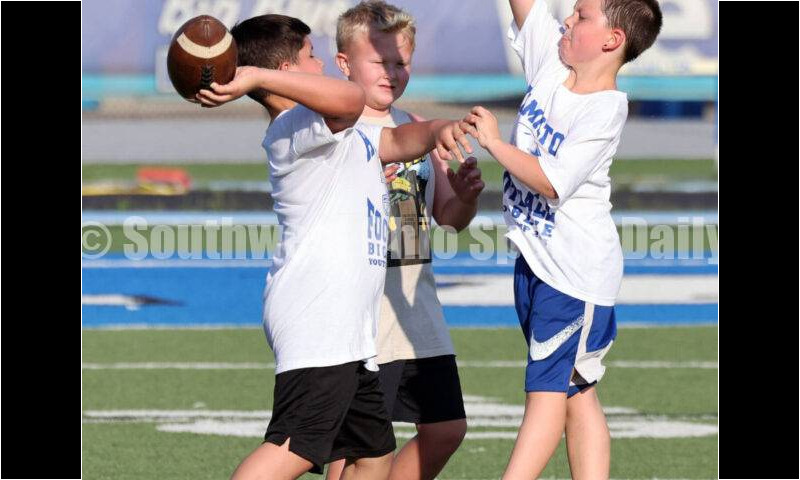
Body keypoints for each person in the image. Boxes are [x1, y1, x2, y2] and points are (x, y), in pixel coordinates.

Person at [196, 13, 473, 480]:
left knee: (373, 455)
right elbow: (351, 98)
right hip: (318, 319)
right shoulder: (295, 125)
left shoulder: (340, 130)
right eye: (311, 56)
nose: (321, 63)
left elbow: (397, 139)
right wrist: (255, 77)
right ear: (285, 71)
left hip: (350, 330)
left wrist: (439, 129)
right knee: (293, 447)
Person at [459, 0, 662, 478]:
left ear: (612, 40)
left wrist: (494, 143)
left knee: (547, 393)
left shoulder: (605, 109)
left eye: (582, 15)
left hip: (573, 275)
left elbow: (551, 181)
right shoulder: (553, 60)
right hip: (537, 261)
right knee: (575, 391)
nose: (568, 19)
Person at [326, 2, 484, 480]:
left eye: (401, 62)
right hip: (362, 310)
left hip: (416, 308)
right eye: (380, 61)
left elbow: (449, 219)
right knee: (354, 447)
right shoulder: (333, 129)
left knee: (446, 427)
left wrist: (466, 196)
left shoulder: (413, 122)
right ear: (344, 63)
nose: (392, 73)